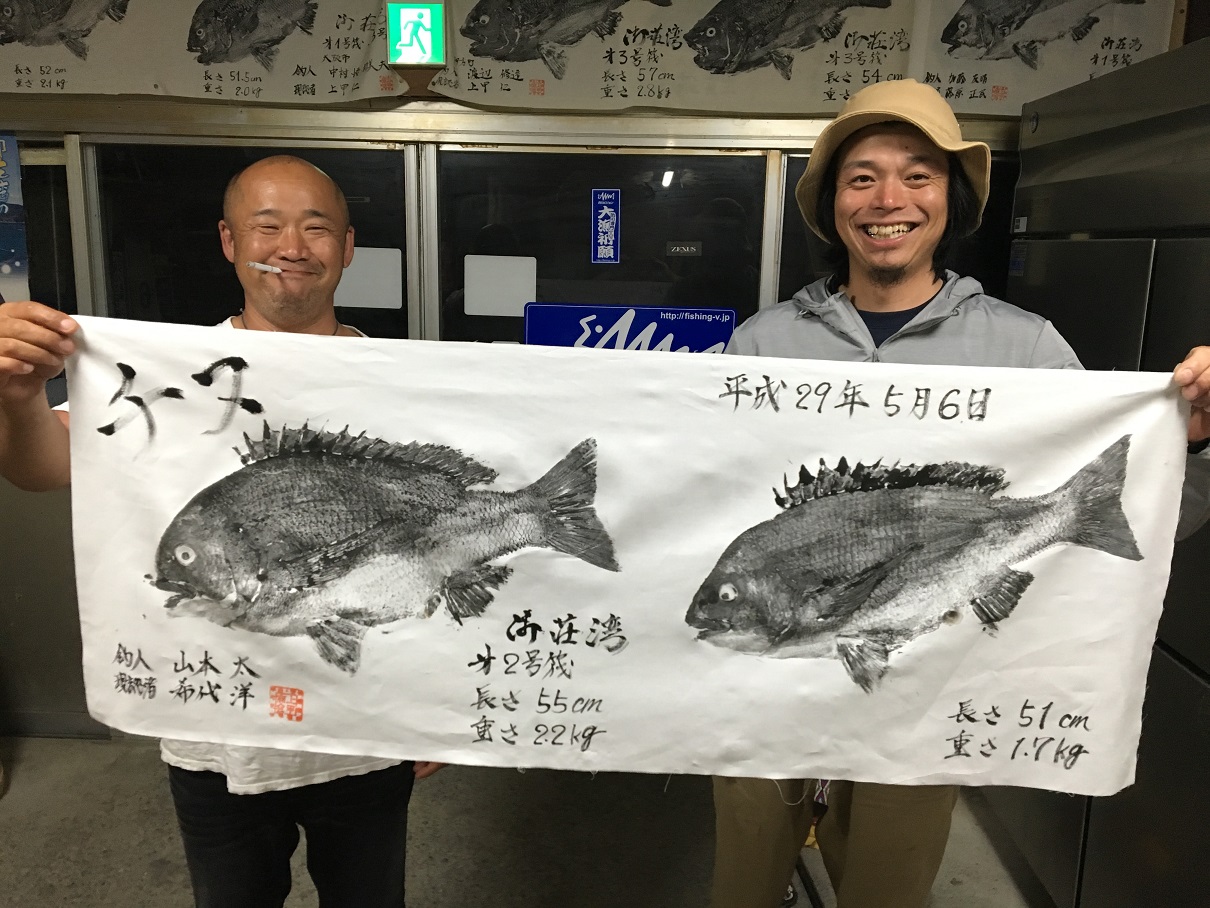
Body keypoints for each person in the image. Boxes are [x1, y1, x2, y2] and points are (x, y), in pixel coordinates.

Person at [709, 79, 1210, 908]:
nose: (889, 200)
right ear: (832, 204)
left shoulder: (1026, 349)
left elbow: (1131, 514)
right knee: (743, 887)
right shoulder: (761, 344)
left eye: (918, 175)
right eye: (861, 177)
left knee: (887, 891)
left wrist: (1189, 441)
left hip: (928, 701)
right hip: (766, 692)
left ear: (953, 199)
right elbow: (705, 502)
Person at [0, 155, 443, 908]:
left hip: (365, 729)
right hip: (215, 733)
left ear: (347, 247)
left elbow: (427, 550)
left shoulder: (400, 381)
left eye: (316, 228)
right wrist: (16, 397)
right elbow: (40, 467)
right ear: (230, 242)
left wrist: (437, 706)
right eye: (267, 226)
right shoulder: (170, 376)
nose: (291, 246)